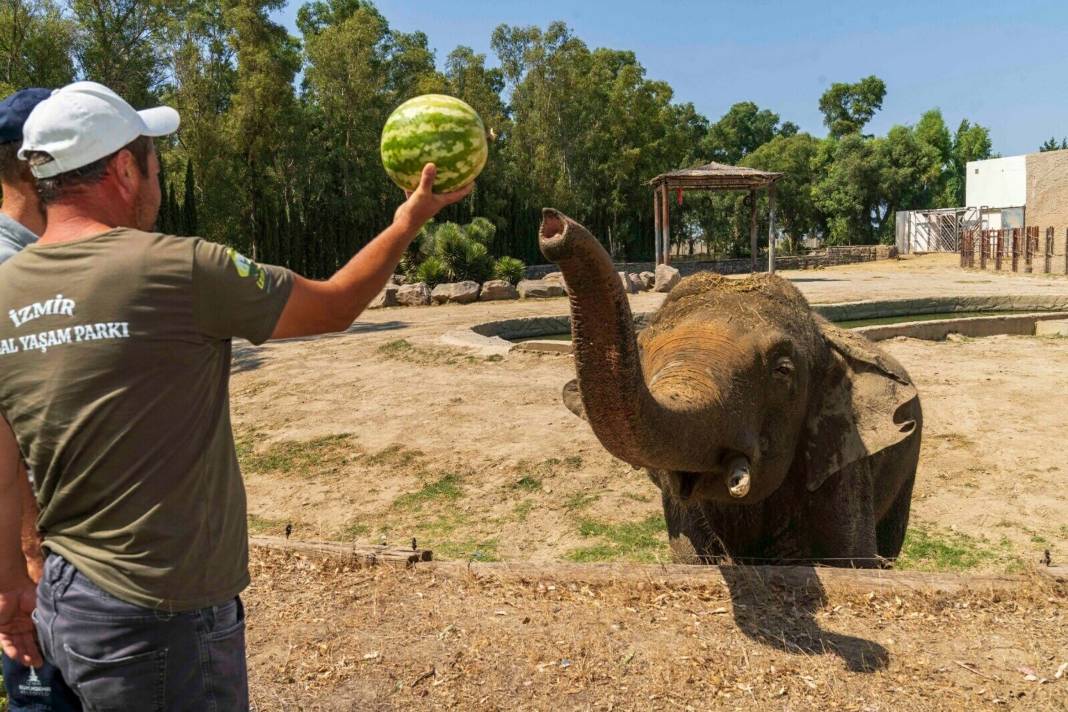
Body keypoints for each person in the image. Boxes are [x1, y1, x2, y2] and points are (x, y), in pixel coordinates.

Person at [0, 81, 471, 710]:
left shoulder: (5, 291)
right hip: (160, 617)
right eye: (154, 164)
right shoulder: (180, 268)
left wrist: (9, 593)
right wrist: (407, 221)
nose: (158, 180)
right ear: (122, 170)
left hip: (67, 600)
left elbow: (4, 470)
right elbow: (333, 307)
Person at [0, 87, 82, 712]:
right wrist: (24, 567)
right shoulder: (6, 272)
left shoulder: (48, 262)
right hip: (40, 571)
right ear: (36, 166)